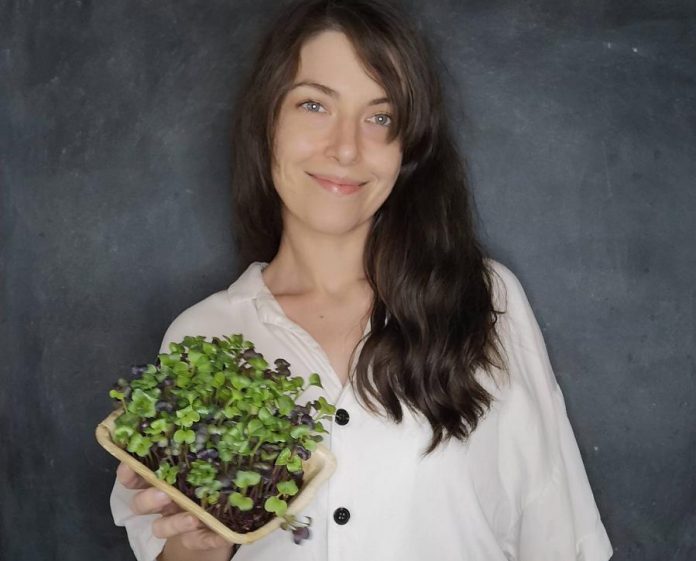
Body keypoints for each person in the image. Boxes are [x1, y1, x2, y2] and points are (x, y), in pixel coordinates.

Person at [110, 1, 613, 560]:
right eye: (314, 105)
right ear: (267, 122)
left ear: (408, 147)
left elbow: (558, 535)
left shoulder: (483, 301)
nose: (346, 148)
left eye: (381, 118)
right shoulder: (203, 336)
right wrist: (199, 537)